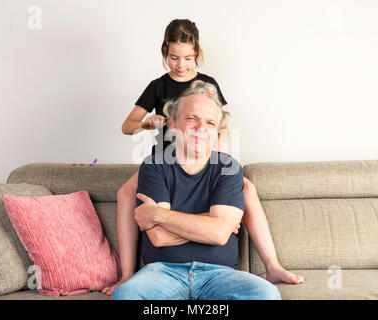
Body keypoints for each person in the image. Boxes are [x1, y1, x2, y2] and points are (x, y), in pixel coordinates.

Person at [102, 19, 303, 296]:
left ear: (197, 54)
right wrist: (148, 123)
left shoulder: (207, 85)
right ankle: (126, 274)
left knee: (246, 187)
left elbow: (219, 126)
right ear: (165, 53)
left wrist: (213, 160)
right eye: (174, 58)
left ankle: (272, 264)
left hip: (204, 157)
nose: (181, 64)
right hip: (165, 156)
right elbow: (128, 126)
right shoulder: (157, 86)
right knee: (126, 193)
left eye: (187, 58)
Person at [112, 80, 282, 300]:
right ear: (172, 123)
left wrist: (158, 214)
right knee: (126, 294)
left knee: (266, 294)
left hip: (220, 274)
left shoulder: (228, 168)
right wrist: (213, 223)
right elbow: (159, 237)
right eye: (192, 118)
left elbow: (219, 234)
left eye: (210, 122)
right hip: (162, 273)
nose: (201, 128)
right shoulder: (153, 166)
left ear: (217, 131)